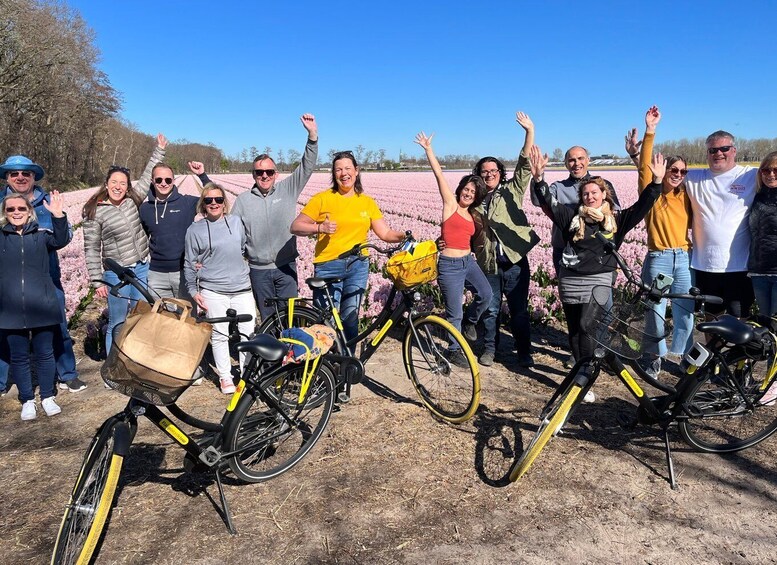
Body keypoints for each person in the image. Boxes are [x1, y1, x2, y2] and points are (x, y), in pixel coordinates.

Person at [531, 147, 665, 400]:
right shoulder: (571, 217)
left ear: (604, 194)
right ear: (581, 198)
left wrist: (656, 182)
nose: (590, 197)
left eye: (595, 192)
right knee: (574, 329)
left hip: (599, 279)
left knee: (588, 327)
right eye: (586, 194)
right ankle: (580, 378)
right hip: (571, 279)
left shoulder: (617, 220)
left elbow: (642, 206)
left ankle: (587, 374)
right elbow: (547, 201)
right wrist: (539, 179)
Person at [290, 151, 406, 342]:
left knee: (350, 318)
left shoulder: (366, 202)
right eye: (338, 169)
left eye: (347, 168)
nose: (344, 173)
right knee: (326, 321)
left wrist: (405, 235)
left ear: (357, 171)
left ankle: (347, 364)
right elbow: (295, 226)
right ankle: (324, 366)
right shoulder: (322, 199)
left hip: (358, 266)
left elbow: (384, 233)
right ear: (334, 174)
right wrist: (320, 227)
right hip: (329, 265)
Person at [0, 155, 82, 393]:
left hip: (47, 279)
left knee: (59, 327)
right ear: (7, 177)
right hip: (7, 284)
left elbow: (63, 238)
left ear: (34, 176)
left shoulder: (47, 203)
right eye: (14, 173)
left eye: (26, 173)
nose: (21, 177)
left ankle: (67, 374)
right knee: (4, 331)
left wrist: (57, 215)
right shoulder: (1, 204)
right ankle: (2, 380)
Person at [226, 114, 318, 323]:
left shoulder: (288, 189)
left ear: (276, 173)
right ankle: (271, 356)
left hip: (285, 268)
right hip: (258, 270)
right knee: (267, 318)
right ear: (253, 175)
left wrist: (312, 136)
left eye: (269, 171)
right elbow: (232, 234)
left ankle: (290, 354)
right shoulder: (242, 200)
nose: (264, 176)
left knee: (290, 316)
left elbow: (307, 166)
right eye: (260, 172)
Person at [625, 106, 694, 377]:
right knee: (655, 310)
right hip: (660, 259)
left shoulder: (686, 195)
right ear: (664, 170)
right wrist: (650, 131)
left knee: (686, 311)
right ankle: (653, 358)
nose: (678, 173)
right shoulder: (652, 195)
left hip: (684, 259)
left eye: (683, 171)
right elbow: (643, 169)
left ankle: (687, 358)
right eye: (673, 169)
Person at [414, 131, 492, 365]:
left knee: (486, 294)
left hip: (468, 263)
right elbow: (439, 174)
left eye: (473, 192)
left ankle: (471, 321)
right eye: (466, 189)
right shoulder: (450, 204)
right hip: (449, 266)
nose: (468, 193)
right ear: (460, 189)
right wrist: (429, 150)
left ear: (477, 196)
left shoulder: (473, 215)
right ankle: (453, 349)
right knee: (453, 312)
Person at [82, 136, 166, 354]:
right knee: (117, 322)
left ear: (127, 186)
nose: (118, 187)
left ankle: (135, 362)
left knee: (141, 317)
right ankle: (113, 367)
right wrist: (96, 280)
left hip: (141, 267)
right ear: (106, 184)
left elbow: (148, 176)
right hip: (116, 273)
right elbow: (91, 248)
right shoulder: (94, 211)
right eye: (114, 182)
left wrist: (159, 151)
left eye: (123, 183)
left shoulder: (132, 200)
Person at [470, 112, 540, 367]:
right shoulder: (472, 200)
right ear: (478, 174)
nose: (489, 175)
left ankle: (524, 352)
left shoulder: (512, 190)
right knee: (490, 310)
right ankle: (490, 350)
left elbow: (524, 165)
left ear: (500, 172)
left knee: (519, 311)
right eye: (484, 171)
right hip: (487, 263)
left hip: (514, 261)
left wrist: (529, 131)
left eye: (493, 170)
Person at [0, 191, 69, 420]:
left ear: (29, 212)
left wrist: (58, 216)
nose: (16, 213)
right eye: (11, 209)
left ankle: (48, 396)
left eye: (21, 208)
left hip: (42, 304)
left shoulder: (41, 236)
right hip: (10, 308)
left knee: (44, 353)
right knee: (18, 357)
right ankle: (27, 399)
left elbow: (61, 240)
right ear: (5, 213)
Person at [184, 183, 254, 394]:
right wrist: (193, 290)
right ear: (203, 205)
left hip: (242, 287)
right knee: (220, 334)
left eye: (218, 199)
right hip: (213, 289)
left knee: (248, 333)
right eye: (208, 200)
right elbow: (189, 261)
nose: (214, 203)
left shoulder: (236, 222)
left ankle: (247, 374)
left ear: (225, 203)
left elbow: (244, 247)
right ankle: (225, 377)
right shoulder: (195, 230)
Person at [684, 131, 758, 319]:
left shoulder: (751, 175)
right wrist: (641, 148)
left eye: (724, 148)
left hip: (739, 266)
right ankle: (712, 349)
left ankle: (739, 351)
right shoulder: (693, 178)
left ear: (734, 150)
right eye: (713, 150)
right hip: (705, 265)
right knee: (711, 318)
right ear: (707, 153)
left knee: (740, 319)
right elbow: (657, 176)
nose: (719, 153)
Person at [139, 159, 203, 302]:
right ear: (152, 181)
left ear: (173, 181)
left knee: (187, 321)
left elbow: (213, 197)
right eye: (159, 179)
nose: (164, 183)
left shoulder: (187, 203)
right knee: (162, 321)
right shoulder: (145, 209)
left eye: (168, 179)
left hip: (184, 272)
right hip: (156, 274)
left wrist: (202, 175)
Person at [748, 151, 777, 315]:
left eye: (776, 170)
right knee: (765, 324)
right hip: (758, 271)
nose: (771, 174)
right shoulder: (757, 197)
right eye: (766, 170)